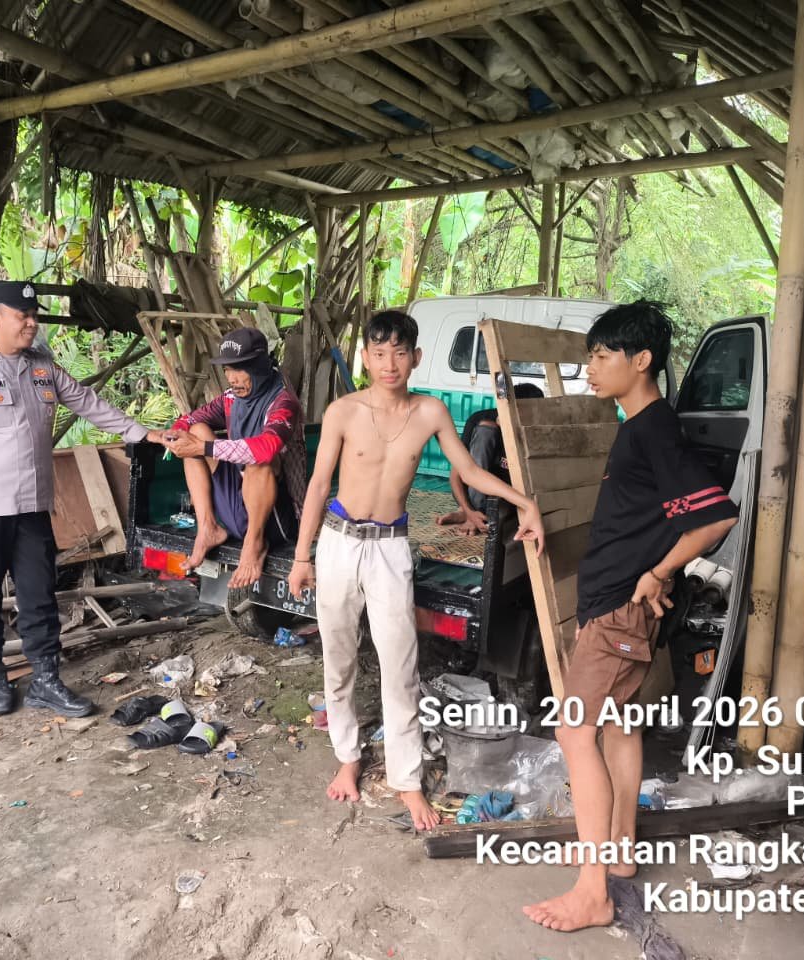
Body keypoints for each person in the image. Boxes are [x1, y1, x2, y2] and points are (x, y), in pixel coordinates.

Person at [287, 310, 546, 832]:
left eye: (400, 353)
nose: (389, 364)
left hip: (390, 549)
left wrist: (524, 501)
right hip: (338, 543)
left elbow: (469, 470)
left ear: (416, 357)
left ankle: (407, 782)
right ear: (365, 357)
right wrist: (301, 556)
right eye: (379, 353)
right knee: (337, 659)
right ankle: (348, 757)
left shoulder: (429, 412)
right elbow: (318, 487)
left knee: (400, 667)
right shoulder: (343, 411)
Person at [524, 300, 737, 932]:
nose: (591, 367)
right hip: (617, 605)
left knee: (574, 732)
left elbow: (717, 516)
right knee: (618, 728)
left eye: (601, 355)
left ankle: (593, 891)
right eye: (590, 355)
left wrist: (658, 571)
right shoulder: (642, 423)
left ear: (640, 360)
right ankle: (615, 855)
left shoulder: (652, 428)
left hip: (620, 609)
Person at [0, 281, 168, 717]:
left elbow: (87, 402)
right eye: (22, 315)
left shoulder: (41, 368)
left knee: (39, 595)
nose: (31, 323)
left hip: (31, 508)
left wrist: (143, 433)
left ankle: (45, 679)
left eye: (33, 315)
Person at [162, 327, 306, 590]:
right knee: (196, 432)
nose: (232, 378)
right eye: (227, 369)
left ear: (261, 366)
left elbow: (266, 448)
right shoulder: (231, 399)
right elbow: (191, 419)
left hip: (275, 519)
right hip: (235, 505)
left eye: (240, 369)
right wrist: (176, 435)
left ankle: (254, 544)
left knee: (260, 460)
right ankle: (208, 528)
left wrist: (204, 448)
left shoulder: (283, 402)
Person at [435, 382, 544, 533]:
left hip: (508, 498)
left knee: (504, 515)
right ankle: (470, 511)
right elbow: (456, 474)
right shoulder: (480, 420)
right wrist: (470, 511)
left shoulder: (536, 430)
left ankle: (472, 514)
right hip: (475, 494)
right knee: (485, 429)